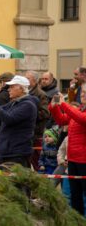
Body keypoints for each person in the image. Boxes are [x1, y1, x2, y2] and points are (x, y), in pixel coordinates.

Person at [0, 75, 38, 167]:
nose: (9, 89)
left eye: (12, 87)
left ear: (21, 89)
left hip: (17, 153)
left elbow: (9, 118)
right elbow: (0, 113)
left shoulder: (27, 105)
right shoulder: (15, 103)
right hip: (8, 151)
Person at [49, 84, 86, 215]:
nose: (83, 96)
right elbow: (61, 120)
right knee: (75, 194)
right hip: (72, 159)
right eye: (82, 93)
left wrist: (64, 105)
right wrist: (54, 107)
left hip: (84, 160)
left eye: (85, 93)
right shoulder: (79, 110)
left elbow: (81, 119)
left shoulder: (80, 113)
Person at [25, 70, 50, 170]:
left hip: (36, 132)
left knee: (37, 161)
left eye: (28, 78)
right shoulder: (25, 92)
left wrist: (30, 114)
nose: (25, 80)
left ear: (34, 80)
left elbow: (45, 113)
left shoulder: (40, 94)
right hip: (27, 132)